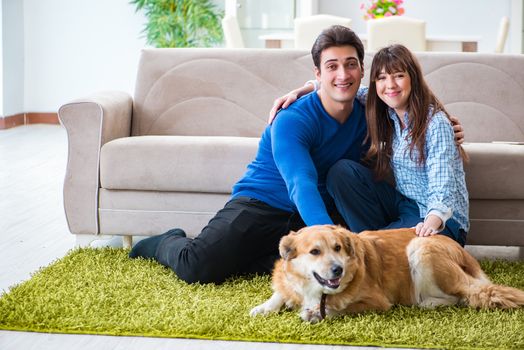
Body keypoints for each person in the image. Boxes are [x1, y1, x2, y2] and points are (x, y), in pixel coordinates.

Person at [129, 25, 369, 284]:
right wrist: (329, 240)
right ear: (318, 73)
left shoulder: (370, 113)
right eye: (332, 66)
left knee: (299, 270)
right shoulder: (292, 118)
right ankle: (165, 241)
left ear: (362, 70)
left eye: (350, 64)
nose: (343, 74)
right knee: (196, 268)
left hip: (309, 213)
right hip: (262, 203)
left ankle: (249, 257)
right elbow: (301, 183)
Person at [273, 44, 469, 246]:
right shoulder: (386, 108)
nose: (390, 85)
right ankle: (369, 239)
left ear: (413, 78)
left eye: (399, 76)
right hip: (404, 205)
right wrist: (303, 90)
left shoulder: (435, 123)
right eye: (382, 78)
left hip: (441, 219)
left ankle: (368, 243)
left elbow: (443, 187)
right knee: (342, 172)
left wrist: (432, 223)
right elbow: (345, 87)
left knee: (372, 247)